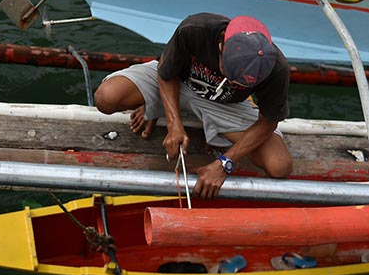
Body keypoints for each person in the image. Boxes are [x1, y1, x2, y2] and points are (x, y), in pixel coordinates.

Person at [94, 13, 292, 199]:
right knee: (107, 97)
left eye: (241, 83)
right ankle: (157, 104)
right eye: (229, 72)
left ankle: (166, 109)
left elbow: (268, 122)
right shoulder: (195, 29)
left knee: (279, 165)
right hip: (176, 81)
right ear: (222, 45)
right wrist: (174, 125)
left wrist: (225, 163)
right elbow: (166, 72)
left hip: (222, 103)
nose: (233, 83)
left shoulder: (277, 68)